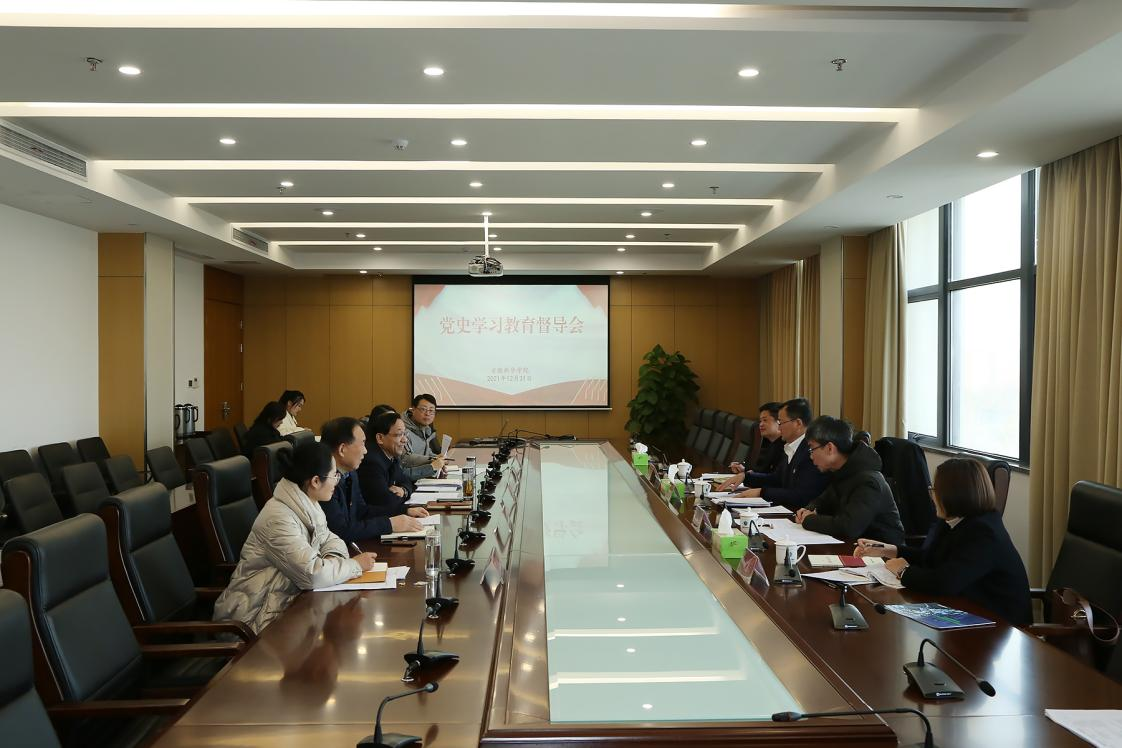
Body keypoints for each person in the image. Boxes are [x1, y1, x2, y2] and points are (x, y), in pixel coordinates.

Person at [212, 441, 378, 634]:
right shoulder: (278, 519)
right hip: (254, 622)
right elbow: (313, 574)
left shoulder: (309, 504)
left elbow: (332, 539)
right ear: (315, 481)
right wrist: (355, 565)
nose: (337, 481)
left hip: (288, 609)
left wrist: (331, 561)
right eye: (334, 475)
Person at [855, 458, 1031, 625]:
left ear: (954, 495)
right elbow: (930, 557)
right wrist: (887, 550)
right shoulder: (952, 520)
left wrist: (903, 571)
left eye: (935, 490)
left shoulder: (984, 532)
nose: (932, 496)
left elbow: (944, 582)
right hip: (966, 610)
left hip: (1000, 624)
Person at [795, 416, 905, 545]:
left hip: (881, 553)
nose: (811, 456)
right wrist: (809, 509)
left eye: (812, 449)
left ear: (830, 448)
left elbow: (849, 527)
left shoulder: (869, 481)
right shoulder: (842, 470)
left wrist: (809, 520)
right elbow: (823, 500)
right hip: (853, 546)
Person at [320, 416, 426, 543]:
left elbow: (362, 511)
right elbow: (340, 531)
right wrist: (390, 524)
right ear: (342, 449)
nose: (365, 451)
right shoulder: (324, 481)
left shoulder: (350, 473)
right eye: (362, 444)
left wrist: (404, 511)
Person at [724, 398, 829, 512]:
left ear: (798, 423)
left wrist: (761, 492)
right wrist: (746, 477)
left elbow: (801, 496)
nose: (779, 427)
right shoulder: (792, 446)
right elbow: (776, 479)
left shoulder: (811, 451)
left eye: (781, 422)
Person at [357, 410, 418, 515]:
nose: (405, 440)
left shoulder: (391, 455)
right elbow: (387, 502)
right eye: (399, 435)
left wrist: (403, 491)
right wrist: (404, 503)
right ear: (380, 438)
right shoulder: (371, 463)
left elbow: (407, 481)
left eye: (405, 434)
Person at [369, 403, 444, 481]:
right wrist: (431, 467)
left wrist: (435, 461)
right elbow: (404, 467)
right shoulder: (372, 460)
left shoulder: (392, 454)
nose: (405, 440)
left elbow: (400, 476)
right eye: (390, 419)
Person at [403, 394, 442, 460]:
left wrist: (438, 458)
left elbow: (426, 453)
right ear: (413, 409)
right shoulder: (401, 430)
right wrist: (432, 460)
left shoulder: (426, 429)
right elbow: (405, 459)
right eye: (423, 409)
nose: (427, 414)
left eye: (431, 410)